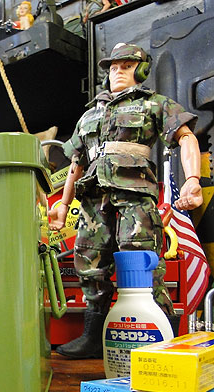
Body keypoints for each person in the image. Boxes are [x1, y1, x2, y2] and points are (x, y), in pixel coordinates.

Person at [48, 43, 203, 359]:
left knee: (142, 261)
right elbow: (77, 162)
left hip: (134, 193)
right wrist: (63, 205)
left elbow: (186, 136)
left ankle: (164, 337)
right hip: (94, 198)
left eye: (127, 65)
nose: (118, 71)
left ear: (141, 70)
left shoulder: (153, 104)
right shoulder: (90, 114)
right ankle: (94, 335)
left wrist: (192, 179)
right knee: (88, 261)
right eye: (113, 67)